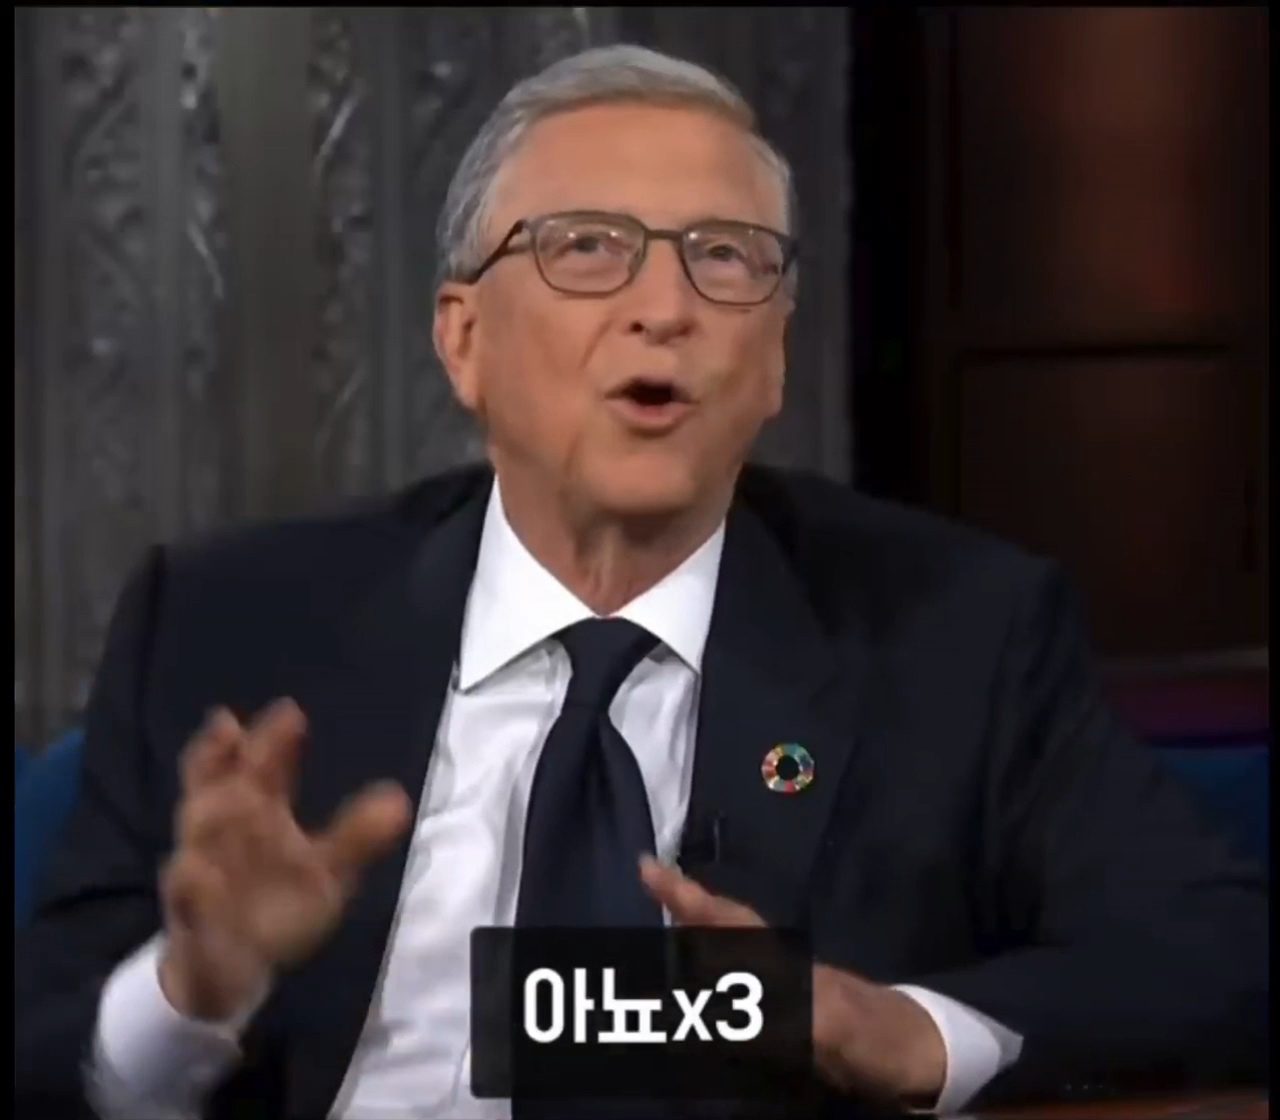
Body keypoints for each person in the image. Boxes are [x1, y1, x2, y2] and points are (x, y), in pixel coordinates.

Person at [14, 43, 1267, 1120]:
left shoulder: (956, 633)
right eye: (587, 249)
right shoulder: (231, 624)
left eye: (724, 257)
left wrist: (888, 1025)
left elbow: (1215, 949)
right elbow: (42, 1044)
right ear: (463, 339)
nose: (663, 306)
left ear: (773, 359)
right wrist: (194, 991)